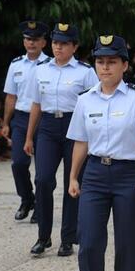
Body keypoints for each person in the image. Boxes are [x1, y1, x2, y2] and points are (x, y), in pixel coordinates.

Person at [67, 35, 135, 271]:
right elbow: (81, 141)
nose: (105, 67)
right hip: (94, 174)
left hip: (128, 175)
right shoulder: (85, 101)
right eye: (100, 61)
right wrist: (73, 176)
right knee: (89, 242)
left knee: (128, 243)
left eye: (111, 62)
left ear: (124, 65)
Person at [24, 23, 99, 257]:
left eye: (64, 43)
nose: (58, 47)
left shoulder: (85, 72)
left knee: (72, 182)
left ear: (74, 46)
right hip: (47, 127)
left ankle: (68, 238)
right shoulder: (41, 69)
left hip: (74, 128)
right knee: (43, 180)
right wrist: (29, 136)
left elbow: (94, 104)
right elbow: (36, 104)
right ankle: (43, 237)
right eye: (56, 43)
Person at [1, 20, 49, 223]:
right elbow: (11, 96)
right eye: (28, 39)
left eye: (36, 39)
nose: (31, 43)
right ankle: (27, 198)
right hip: (21, 118)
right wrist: (5, 123)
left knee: (43, 170)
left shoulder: (50, 65)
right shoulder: (16, 64)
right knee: (19, 163)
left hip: (44, 119)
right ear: (23, 41)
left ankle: (41, 205)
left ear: (44, 42)